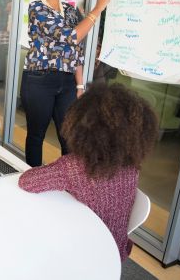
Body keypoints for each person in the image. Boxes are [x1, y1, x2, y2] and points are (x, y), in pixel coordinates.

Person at [18, 83, 158, 262]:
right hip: (115, 250)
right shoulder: (131, 167)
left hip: (81, 254)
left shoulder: (73, 166)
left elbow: (27, 182)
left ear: (80, 126)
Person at [21, 0, 112, 166]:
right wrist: (98, 8)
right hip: (39, 80)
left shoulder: (70, 10)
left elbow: (76, 50)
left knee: (69, 137)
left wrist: (79, 85)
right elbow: (72, 37)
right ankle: (32, 179)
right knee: (36, 135)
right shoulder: (38, 9)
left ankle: (69, 182)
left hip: (68, 82)